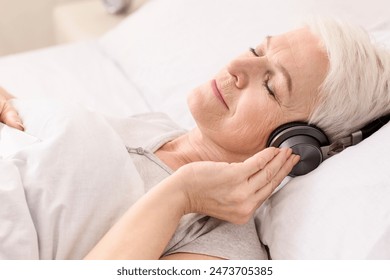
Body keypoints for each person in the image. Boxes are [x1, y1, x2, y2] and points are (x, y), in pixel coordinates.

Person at [1, 18, 389, 260]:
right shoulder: (156, 128)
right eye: (257, 50)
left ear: (296, 145)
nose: (238, 66)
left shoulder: (217, 244)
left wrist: (180, 195)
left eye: (271, 84)